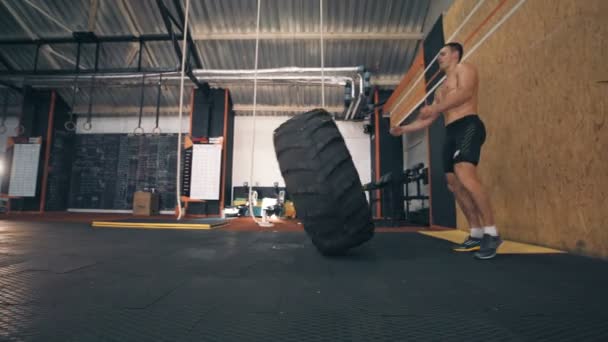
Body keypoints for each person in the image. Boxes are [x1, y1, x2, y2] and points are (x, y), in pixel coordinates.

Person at [390, 42, 502, 260]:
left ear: (455, 54)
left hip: (468, 126)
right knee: (453, 183)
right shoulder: (441, 89)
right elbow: (428, 119)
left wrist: (435, 108)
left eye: (442, 54)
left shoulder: (464, 69)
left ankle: (492, 232)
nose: (439, 58)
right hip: (450, 132)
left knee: (464, 173)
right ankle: (476, 232)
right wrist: (403, 128)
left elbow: (464, 94)